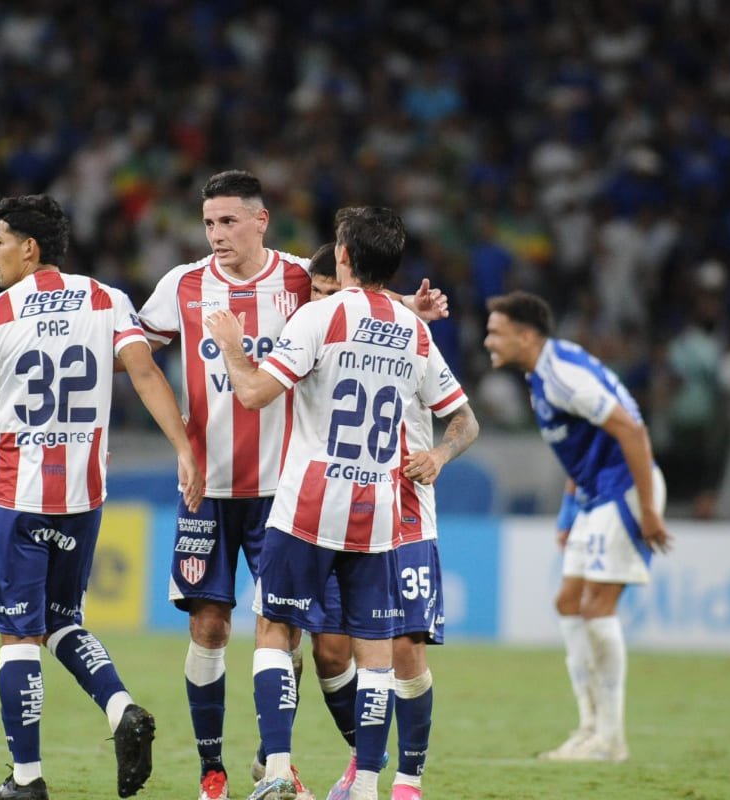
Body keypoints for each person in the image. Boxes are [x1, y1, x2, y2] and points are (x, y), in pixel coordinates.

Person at [137, 171, 446, 800]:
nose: (216, 234)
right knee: (210, 628)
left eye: (228, 221)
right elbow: (137, 359)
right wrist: (181, 445)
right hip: (210, 483)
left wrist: (407, 311)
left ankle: (287, 765)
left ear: (260, 221)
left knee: (315, 642)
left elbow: (354, 306)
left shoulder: (297, 279)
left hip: (289, 490)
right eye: (208, 223)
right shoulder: (181, 286)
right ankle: (213, 773)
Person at [205, 206, 468, 800]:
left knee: (275, 628)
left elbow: (251, 394)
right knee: (375, 651)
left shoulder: (318, 317)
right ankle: (369, 784)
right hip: (378, 507)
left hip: (308, 502)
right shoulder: (413, 331)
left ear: (343, 256)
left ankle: (275, 770)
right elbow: (454, 407)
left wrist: (229, 346)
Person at [0, 194, 205, 800]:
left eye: (0, 240)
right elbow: (145, 372)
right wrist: (184, 446)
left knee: (18, 636)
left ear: (29, 248)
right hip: (83, 495)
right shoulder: (107, 300)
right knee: (63, 620)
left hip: (14, 494)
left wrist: (3, 453)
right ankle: (120, 708)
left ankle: (28, 780)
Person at [290, 245, 479, 800]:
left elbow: (465, 421)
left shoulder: (408, 337)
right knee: (328, 650)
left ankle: (406, 782)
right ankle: (361, 758)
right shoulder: (312, 333)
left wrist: (440, 457)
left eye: (334, 289)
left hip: (404, 513)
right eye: (317, 293)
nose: (328, 300)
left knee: (403, 651)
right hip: (333, 510)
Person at [483, 290, 672, 763]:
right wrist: (570, 512)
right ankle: (589, 728)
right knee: (569, 600)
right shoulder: (543, 372)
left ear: (526, 334)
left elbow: (631, 430)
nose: (488, 339)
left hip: (625, 488)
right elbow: (580, 448)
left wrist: (648, 510)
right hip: (594, 495)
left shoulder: (563, 376)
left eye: (496, 331)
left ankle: (610, 739)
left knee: (596, 606)